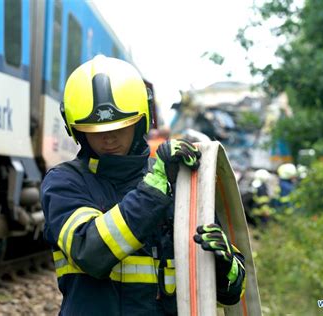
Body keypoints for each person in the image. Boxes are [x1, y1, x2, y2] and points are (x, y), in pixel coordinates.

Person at [40, 55, 246, 315]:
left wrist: (225, 264)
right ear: (77, 130)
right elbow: (90, 251)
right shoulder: (64, 182)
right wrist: (155, 188)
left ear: (141, 122)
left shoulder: (177, 180)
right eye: (97, 130)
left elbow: (231, 294)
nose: (110, 139)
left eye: (121, 126)